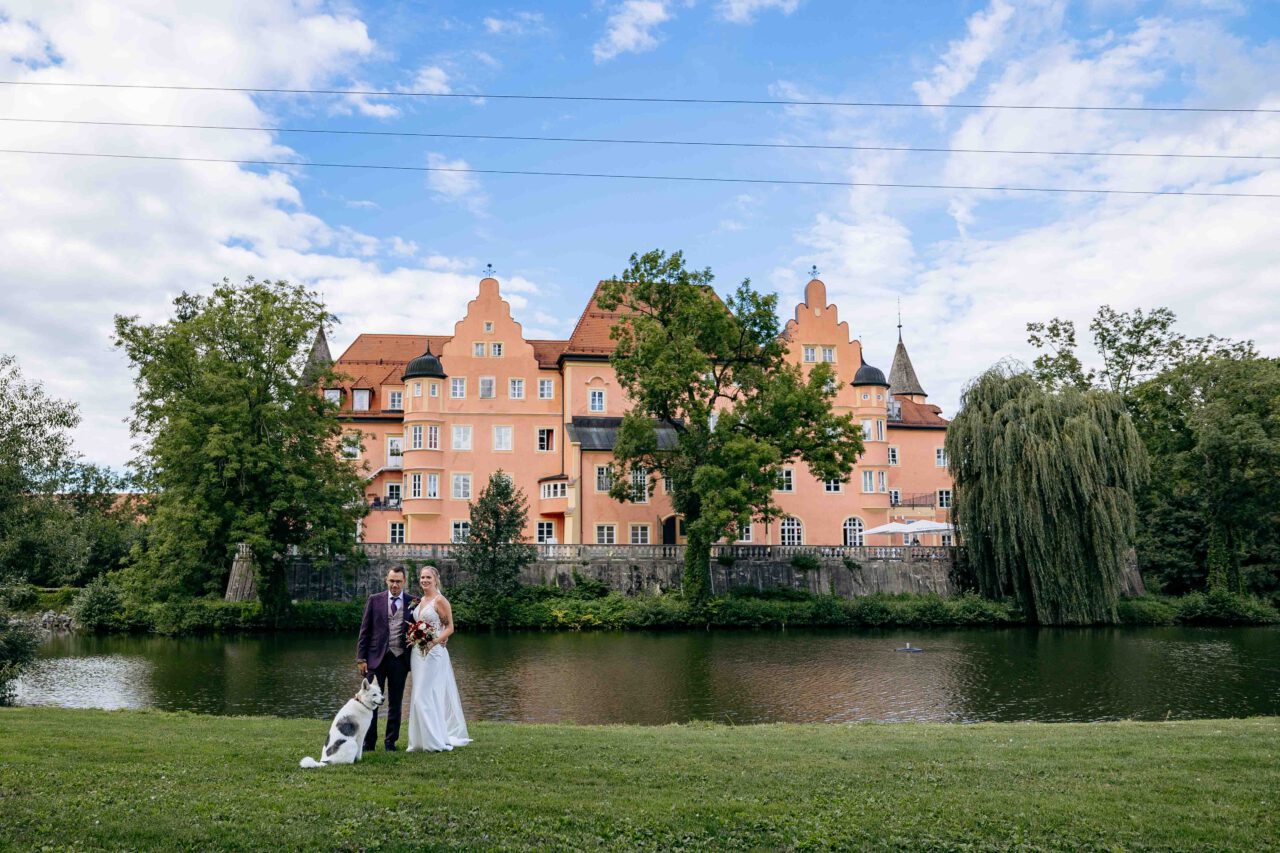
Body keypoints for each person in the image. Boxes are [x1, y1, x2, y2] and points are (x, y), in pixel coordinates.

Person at [406, 565, 472, 752]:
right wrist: (415, 636)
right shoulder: (420, 601)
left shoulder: (440, 600)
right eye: (422, 577)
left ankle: (434, 741)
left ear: (435, 579)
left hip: (433, 653)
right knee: (420, 694)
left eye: (428, 577)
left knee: (424, 695)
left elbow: (449, 627)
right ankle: (419, 741)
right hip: (417, 653)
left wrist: (434, 642)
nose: (424, 580)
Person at [355, 566, 414, 752]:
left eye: (398, 581)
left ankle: (390, 742)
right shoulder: (374, 600)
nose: (395, 584)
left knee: (395, 703)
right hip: (375, 659)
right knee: (370, 701)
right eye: (392, 581)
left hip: (400, 659)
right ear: (386, 580)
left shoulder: (413, 602)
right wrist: (361, 658)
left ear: (404, 581)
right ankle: (368, 743)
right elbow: (364, 631)